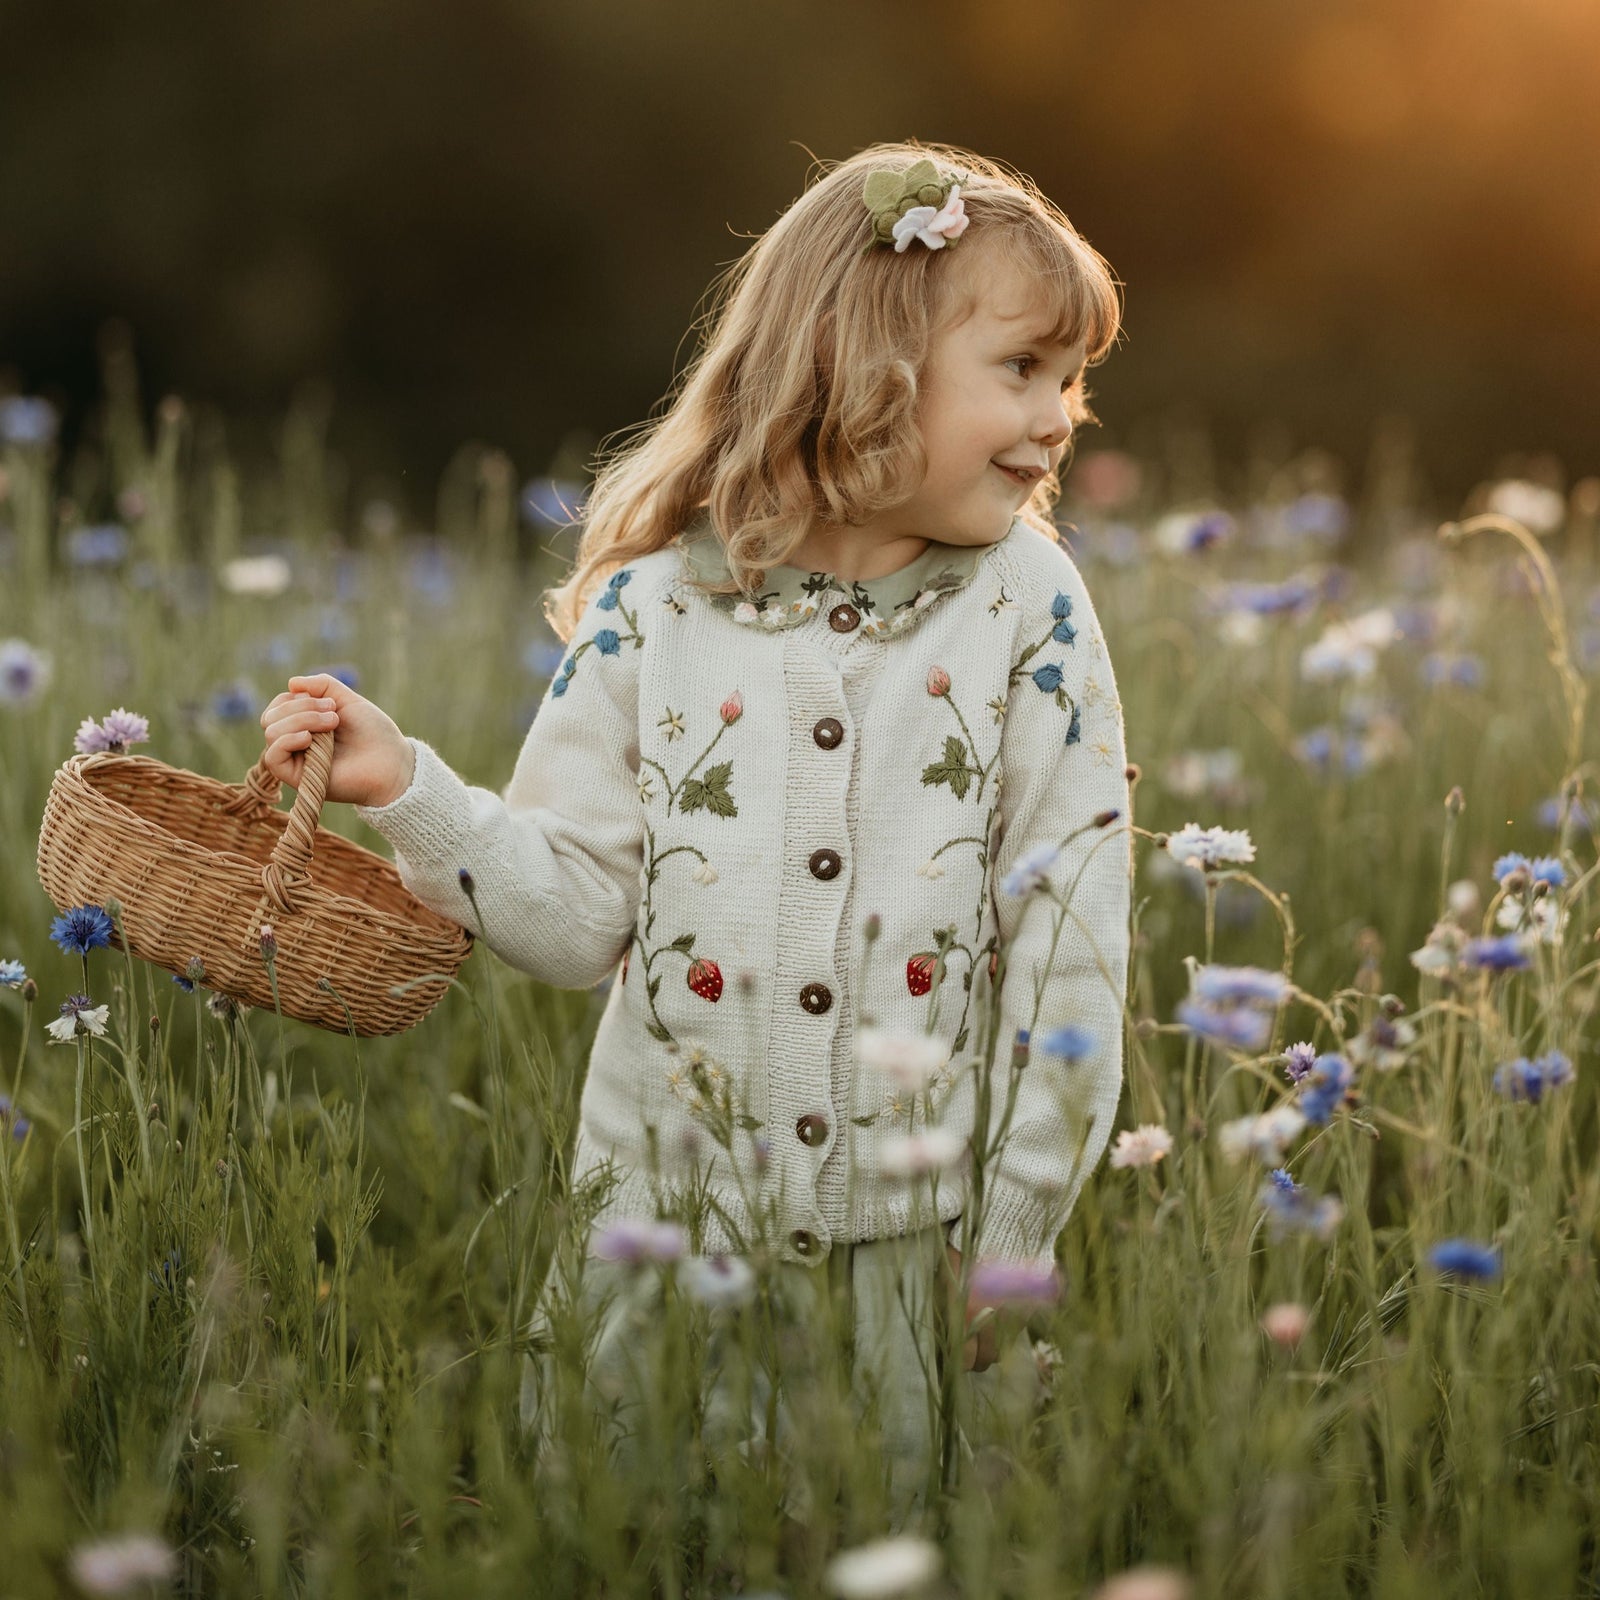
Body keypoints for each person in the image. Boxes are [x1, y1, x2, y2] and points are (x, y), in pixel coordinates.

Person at [258, 140, 1131, 1523]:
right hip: (655, 1256)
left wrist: (1016, 1237)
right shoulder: (654, 612)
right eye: (1023, 370)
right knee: (641, 1538)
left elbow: (1071, 942)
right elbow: (574, 912)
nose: (1060, 419)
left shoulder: (1031, 607)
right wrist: (409, 790)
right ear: (868, 361)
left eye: (1072, 381)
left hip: (908, 1265)